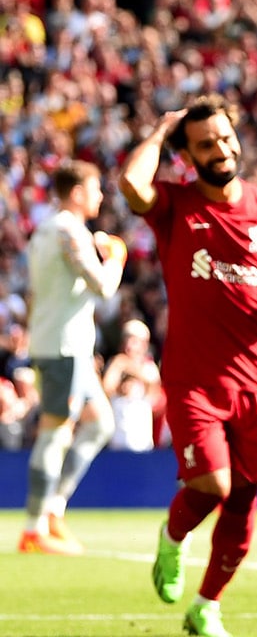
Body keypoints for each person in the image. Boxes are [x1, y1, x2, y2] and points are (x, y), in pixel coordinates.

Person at [121, 95, 257, 637]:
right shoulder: (176, 205)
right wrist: (162, 132)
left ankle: (207, 606)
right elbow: (129, 186)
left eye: (225, 139)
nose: (220, 150)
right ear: (187, 155)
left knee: (243, 497)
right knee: (211, 484)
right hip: (194, 377)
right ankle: (172, 537)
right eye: (206, 144)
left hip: (256, 379)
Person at [19, 161, 127, 555]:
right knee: (55, 432)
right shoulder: (68, 230)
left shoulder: (45, 230)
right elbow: (103, 288)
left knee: (100, 424)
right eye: (96, 189)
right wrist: (116, 255)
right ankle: (34, 527)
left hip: (63, 344)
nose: (100, 196)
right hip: (63, 347)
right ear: (78, 192)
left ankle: (52, 511)